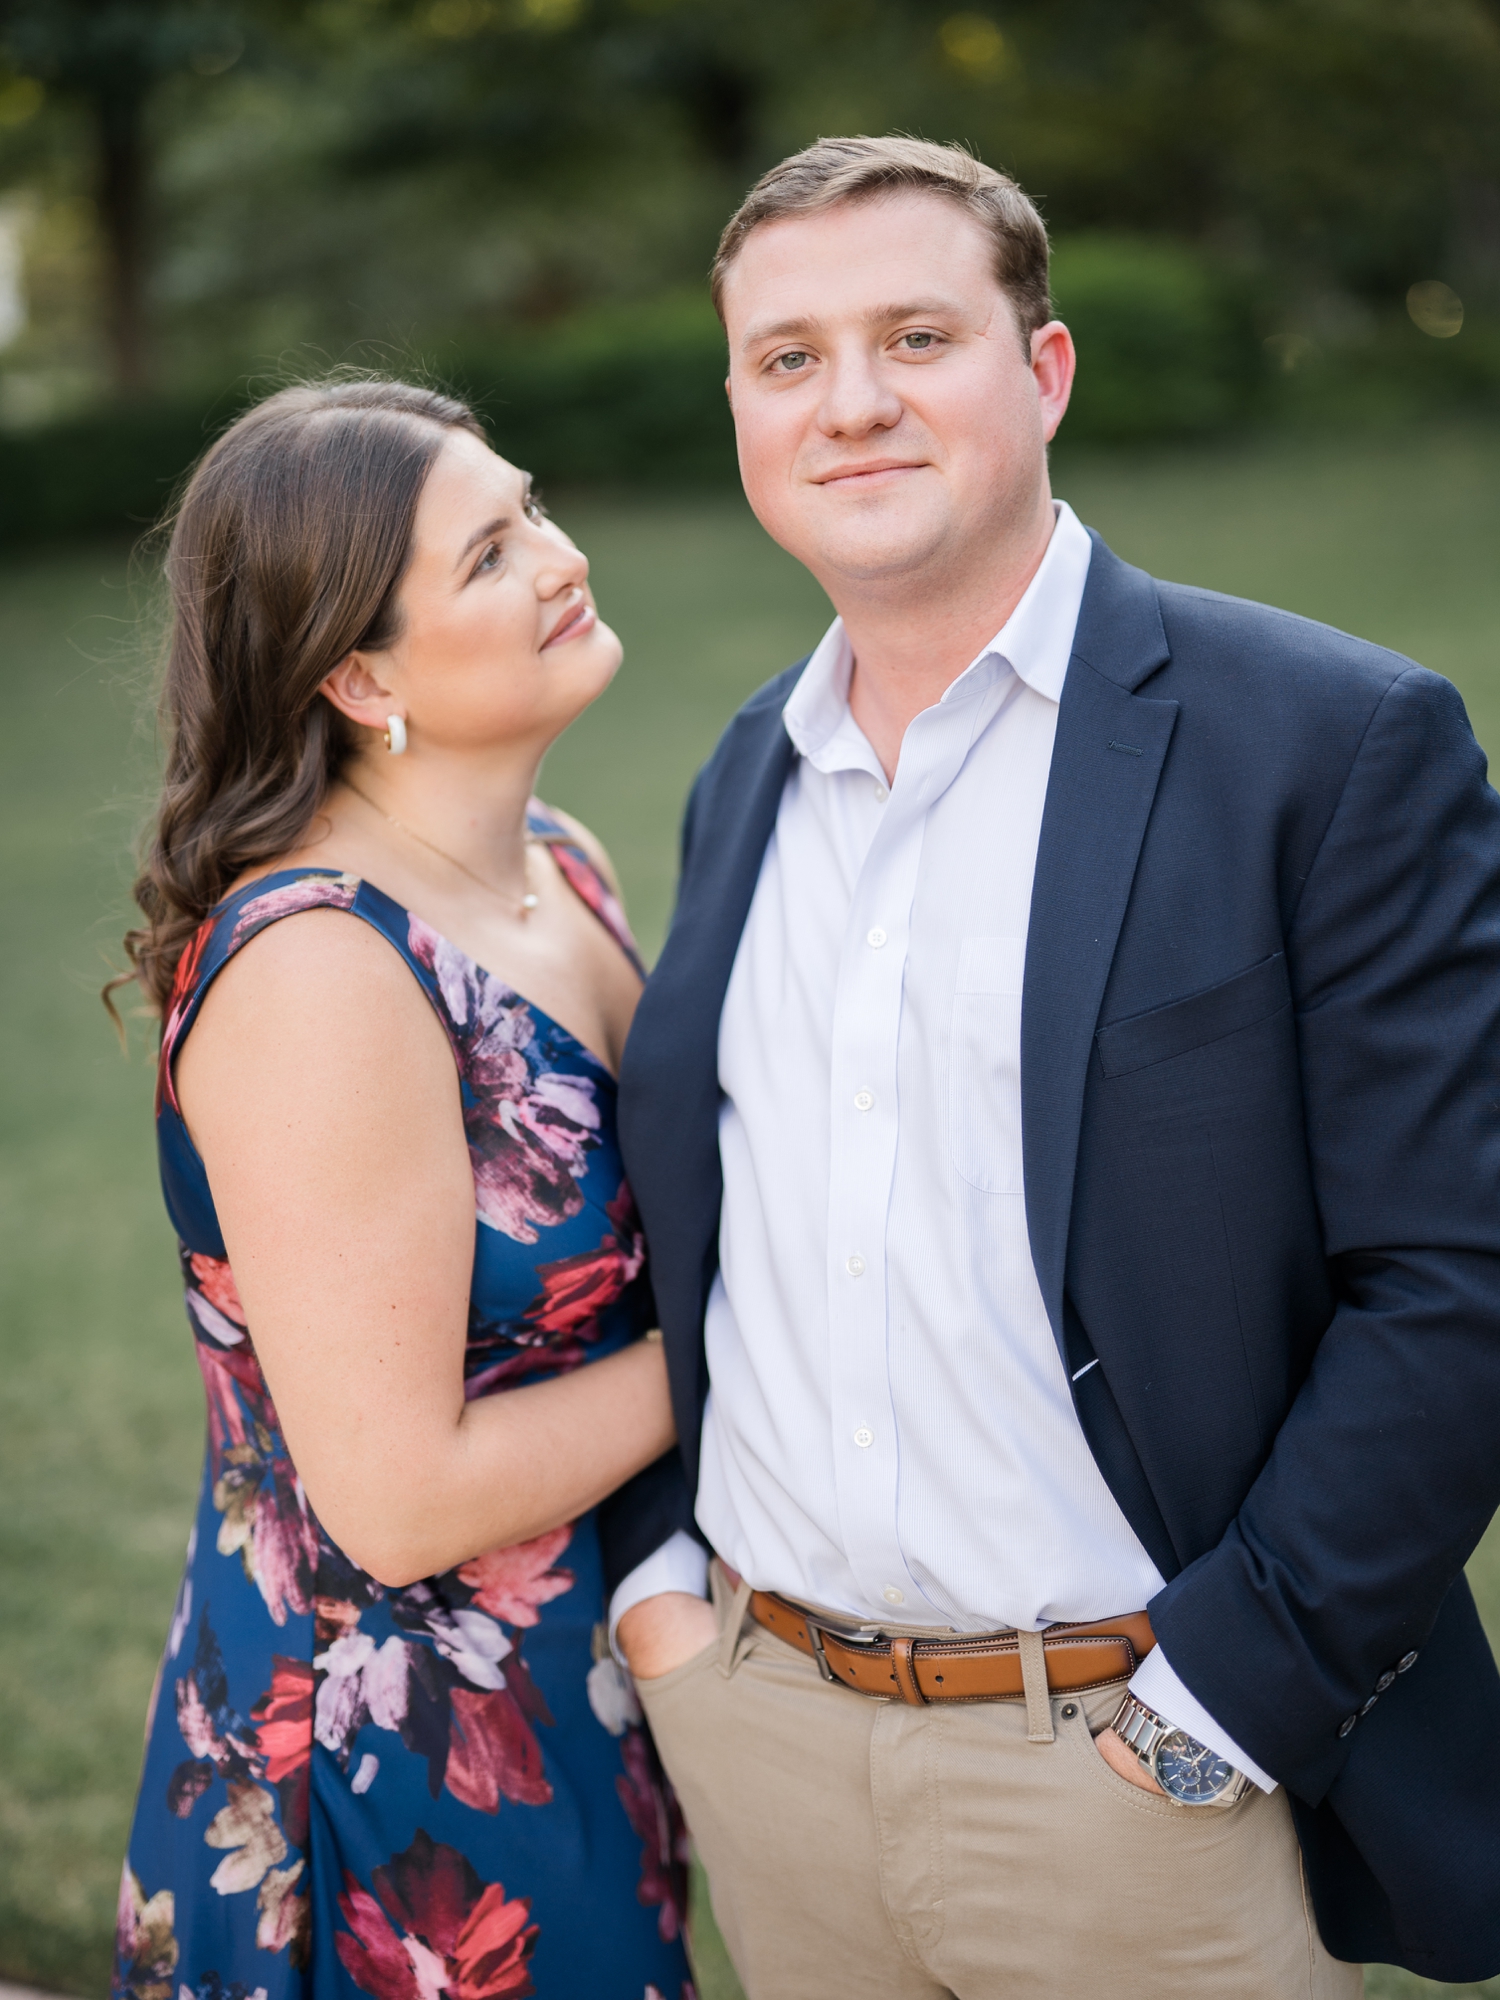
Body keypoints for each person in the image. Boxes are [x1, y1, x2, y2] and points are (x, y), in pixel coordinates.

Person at [609, 136, 1500, 1997]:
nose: (851, 404)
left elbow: (1457, 1283)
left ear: (1047, 370)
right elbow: (694, 1238)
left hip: (1137, 1788)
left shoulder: (1329, 747)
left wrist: (1214, 1708)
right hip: (768, 1751)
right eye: (788, 359)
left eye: (915, 335)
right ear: (741, 411)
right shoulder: (742, 776)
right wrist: (666, 1612)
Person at [108, 378, 696, 2000]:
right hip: (387, 1774)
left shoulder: (557, 863)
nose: (563, 558)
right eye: (493, 554)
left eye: (531, 508)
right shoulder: (323, 970)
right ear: (361, 675)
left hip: (575, 1685)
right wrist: (746, 1346)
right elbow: (397, 1496)